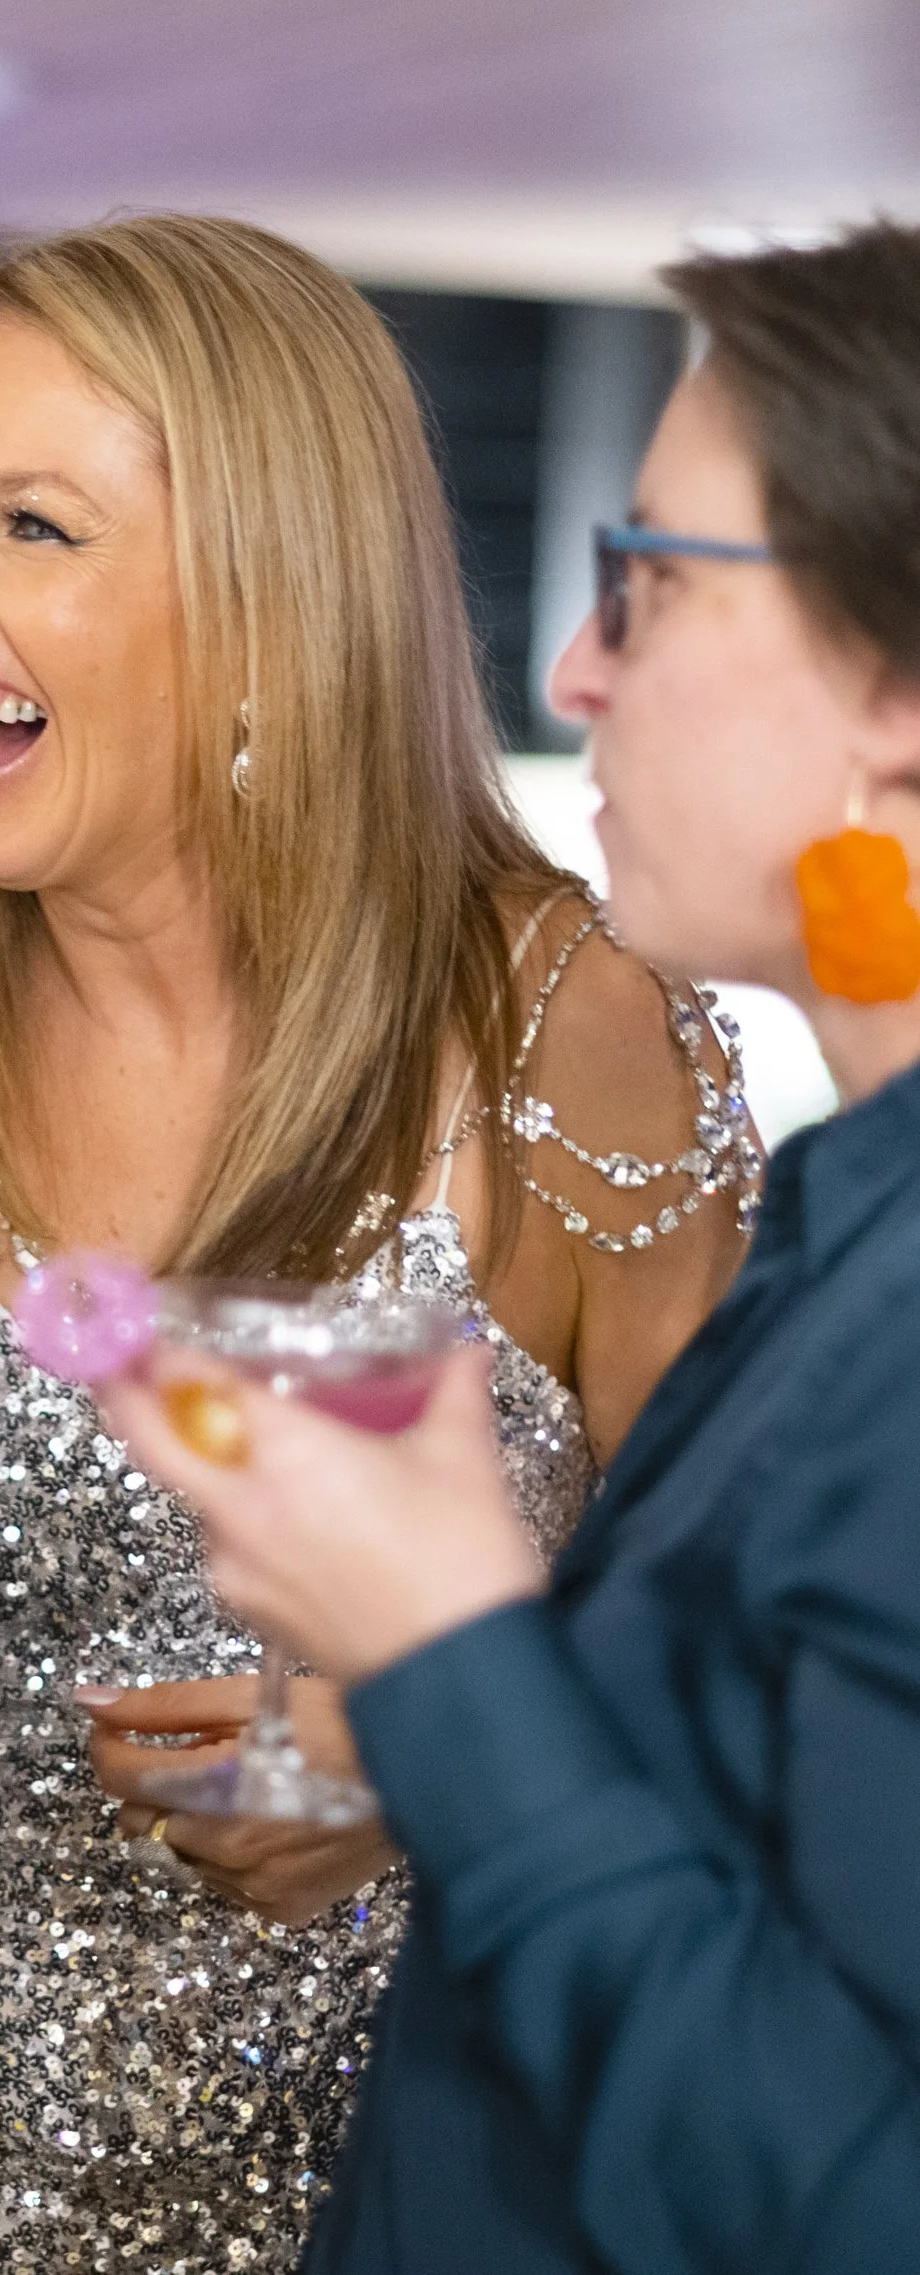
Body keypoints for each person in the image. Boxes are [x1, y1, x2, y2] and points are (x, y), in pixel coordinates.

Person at [0, 216, 761, 2273]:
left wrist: (387, 1768)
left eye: (30, 527)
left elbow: (717, 1698)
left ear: (260, 603)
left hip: (352, 2191)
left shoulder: (559, 1037)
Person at [97, 220, 920, 2275]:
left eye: (643, 584)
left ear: (896, 710)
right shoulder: (851, 1211)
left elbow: (847, 2198)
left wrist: (455, 1656)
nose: (570, 671)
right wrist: (443, 1735)